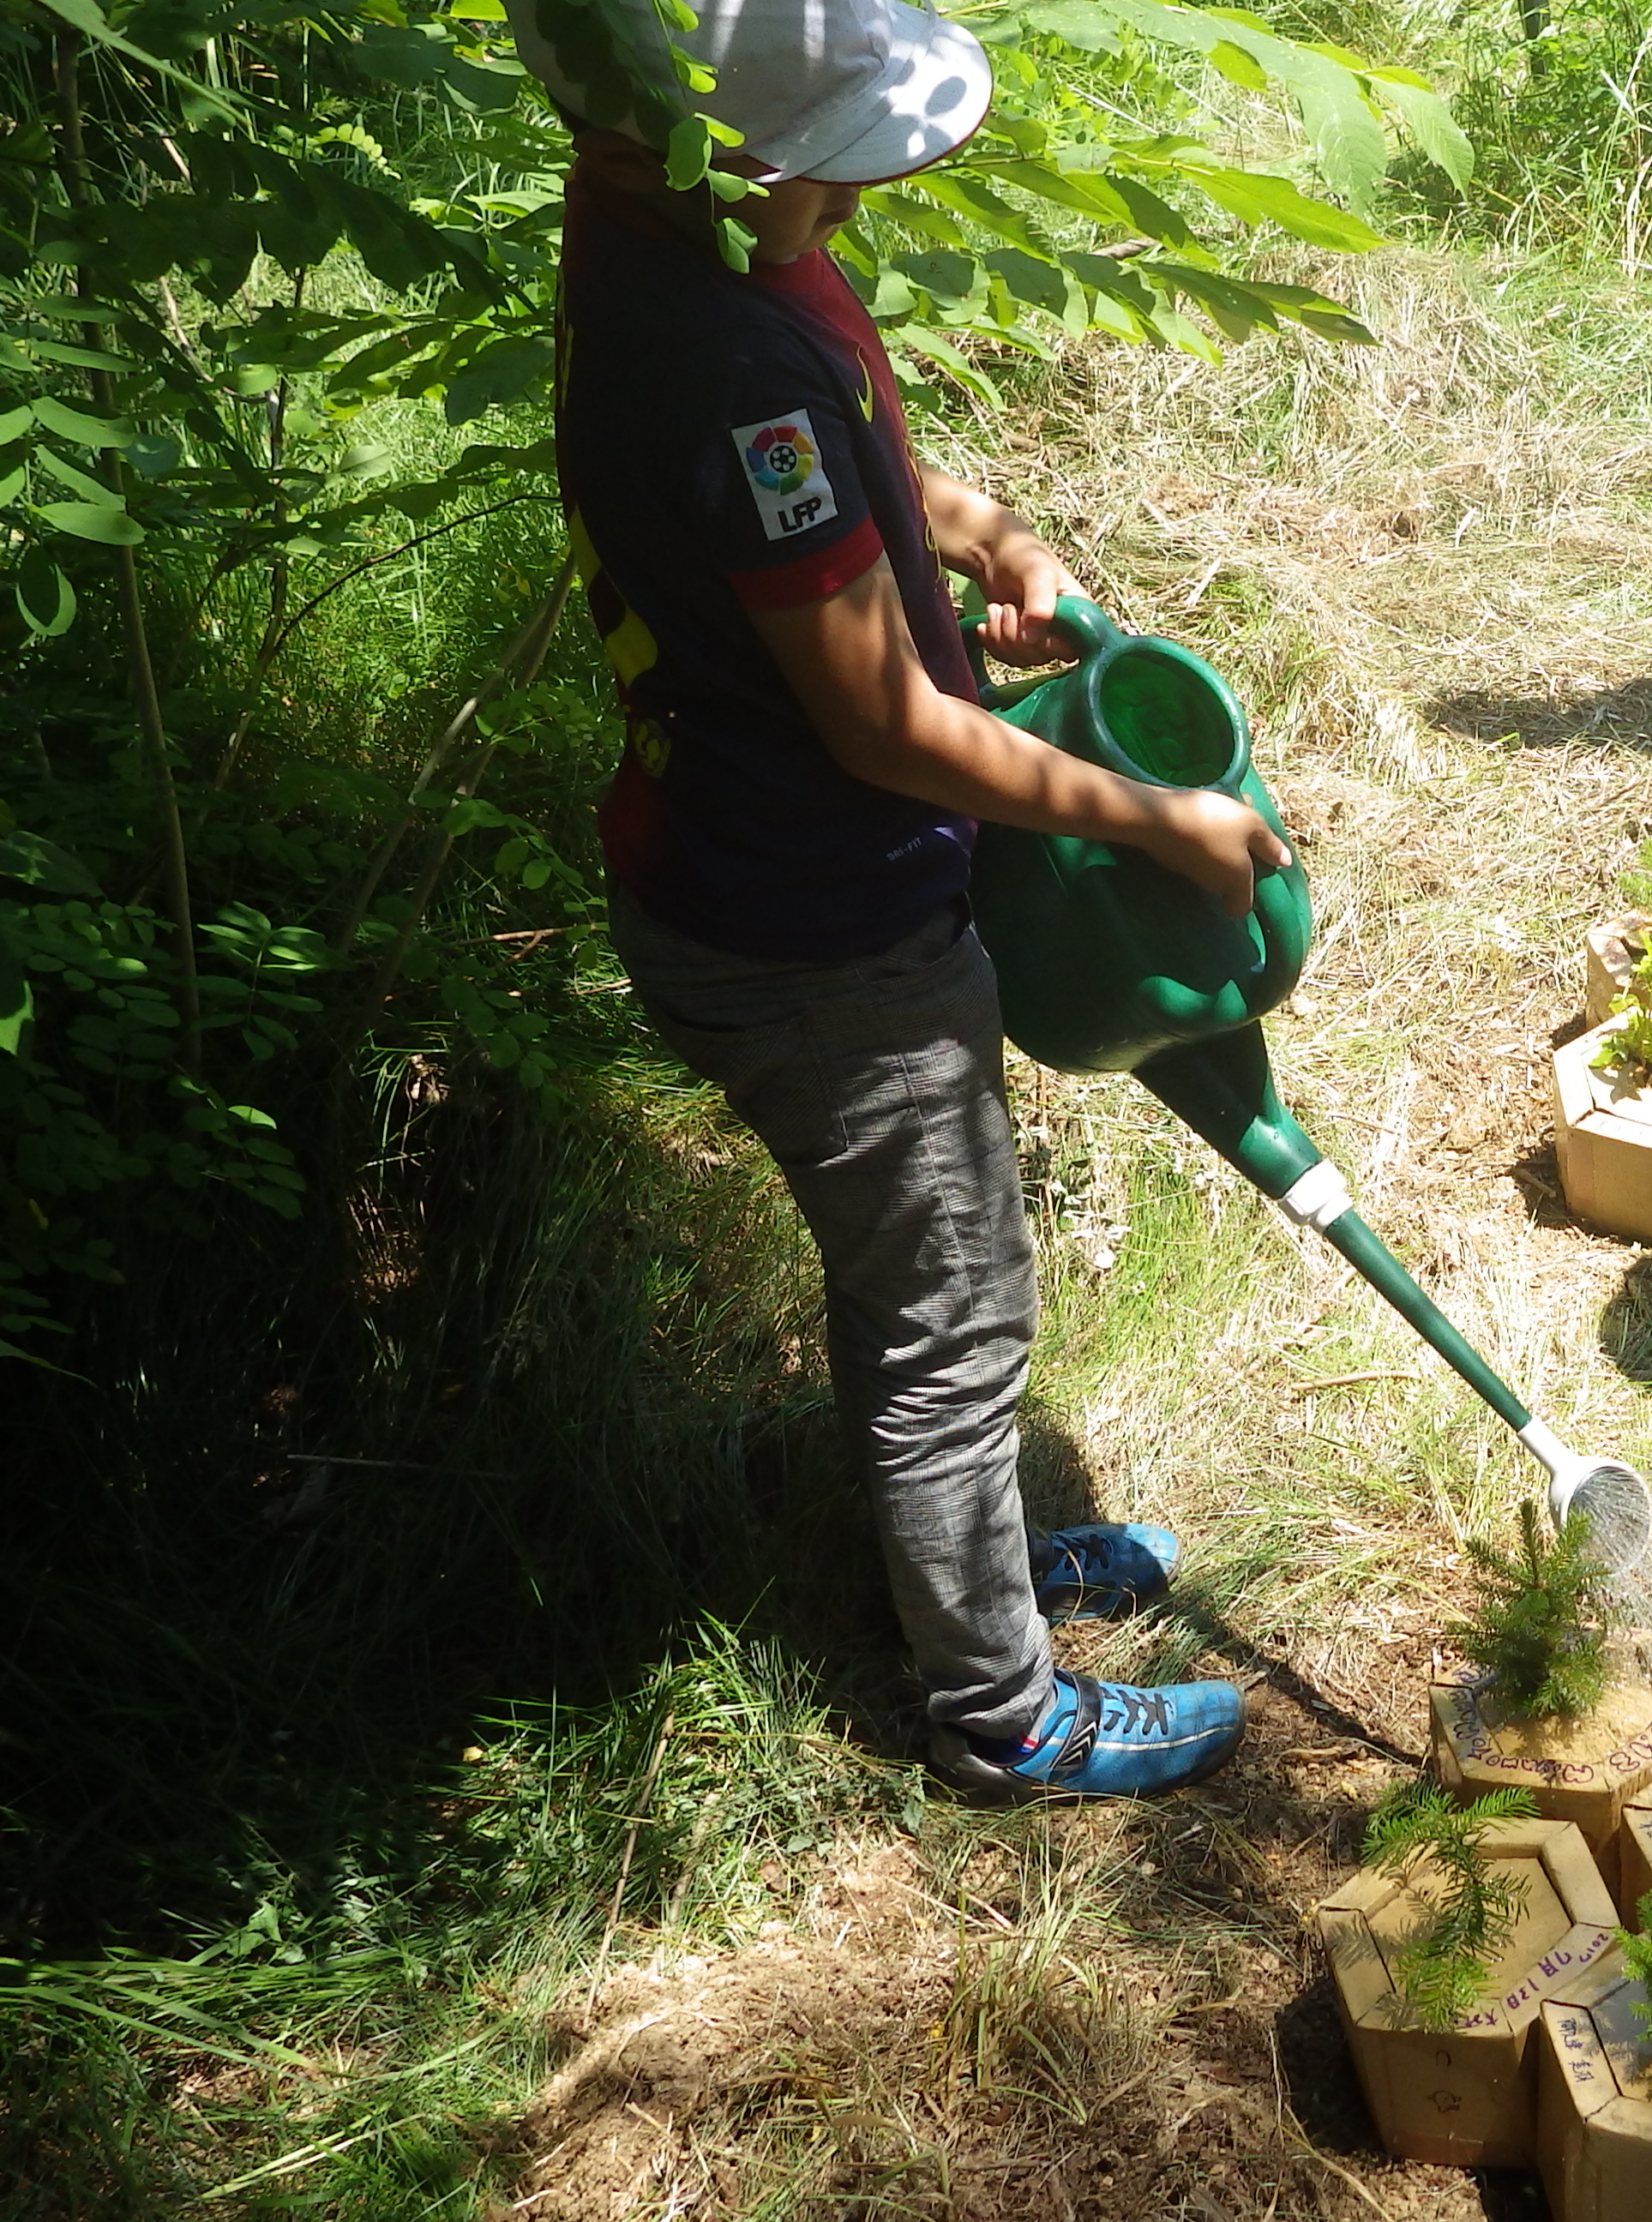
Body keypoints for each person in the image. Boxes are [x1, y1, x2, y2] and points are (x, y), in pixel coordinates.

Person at [518, 0, 1288, 1796]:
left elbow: (853, 438)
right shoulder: (718, 350)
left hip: (785, 888)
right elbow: (880, 726)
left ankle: (979, 1572)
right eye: (830, 174)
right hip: (804, 932)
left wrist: (986, 531)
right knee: (953, 1310)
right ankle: (1000, 1709)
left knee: (933, 1267)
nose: (853, 207)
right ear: (726, 154)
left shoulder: (671, 239)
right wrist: (1157, 817)